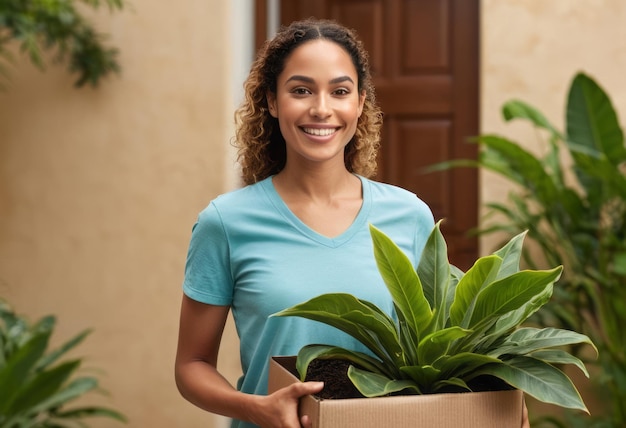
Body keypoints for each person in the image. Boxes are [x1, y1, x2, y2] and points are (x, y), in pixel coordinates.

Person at [175, 18, 529, 428]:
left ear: (360, 103)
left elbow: (440, 356)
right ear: (272, 101)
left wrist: (498, 396)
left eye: (339, 91)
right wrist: (255, 408)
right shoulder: (227, 222)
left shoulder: (408, 215)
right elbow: (192, 365)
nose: (321, 108)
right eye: (301, 90)